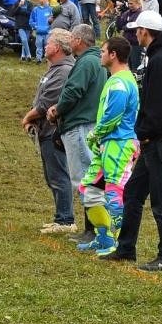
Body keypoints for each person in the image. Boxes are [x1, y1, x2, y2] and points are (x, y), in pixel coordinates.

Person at [107, 12, 162, 269]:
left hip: (159, 139)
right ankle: (126, 247)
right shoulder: (159, 56)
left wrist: (145, 131)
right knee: (133, 193)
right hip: (153, 137)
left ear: (145, 31)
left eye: (137, 30)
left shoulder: (160, 60)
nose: (135, 34)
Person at [75, 36, 140, 257]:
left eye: (103, 51)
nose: (100, 55)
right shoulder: (115, 79)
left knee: (114, 193)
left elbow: (114, 116)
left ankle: (122, 245)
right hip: (106, 144)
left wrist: (95, 133)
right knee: (89, 190)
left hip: (119, 144)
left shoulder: (121, 82)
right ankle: (103, 238)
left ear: (113, 55)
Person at [46, 25, 105, 239]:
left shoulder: (86, 62)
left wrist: (57, 109)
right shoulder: (97, 59)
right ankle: (95, 228)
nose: (69, 41)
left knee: (83, 179)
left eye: (71, 37)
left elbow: (73, 91)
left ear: (79, 40)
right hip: (91, 121)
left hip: (79, 124)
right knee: (91, 177)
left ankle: (93, 230)